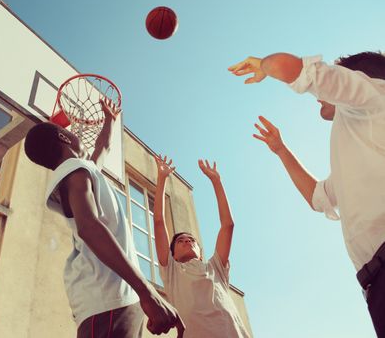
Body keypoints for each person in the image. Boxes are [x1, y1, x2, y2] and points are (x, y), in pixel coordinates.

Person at [229, 52, 385, 336]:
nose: (320, 98)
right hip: (375, 284)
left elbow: (296, 70)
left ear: (357, 76)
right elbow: (318, 196)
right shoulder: (358, 135)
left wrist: (265, 64)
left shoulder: (371, 95)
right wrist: (280, 149)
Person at [24, 99, 184, 338]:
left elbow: (104, 147)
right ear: (66, 138)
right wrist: (147, 292)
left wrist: (110, 119)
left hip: (114, 296)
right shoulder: (73, 170)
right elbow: (88, 227)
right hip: (108, 295)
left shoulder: (83, 170)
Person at [152, 154, 251, 338]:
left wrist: (216, 181)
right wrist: (162, 179)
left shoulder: (215, 268)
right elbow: (158, 222)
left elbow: (228, 225)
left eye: (191, 240)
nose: (187, 241)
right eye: (180, 241)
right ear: (172, 254)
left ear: (200, 252)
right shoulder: (172, 271)